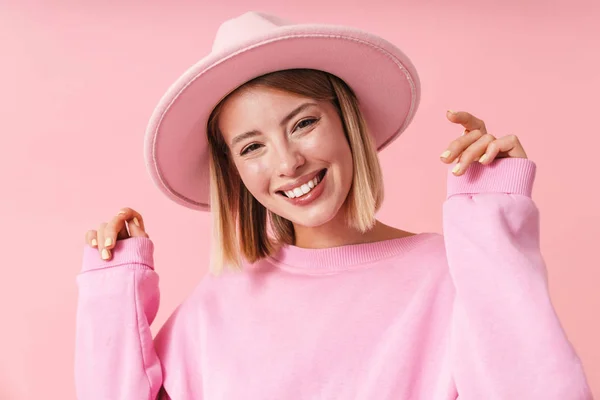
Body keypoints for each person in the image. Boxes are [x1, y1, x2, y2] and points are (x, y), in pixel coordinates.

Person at [74, 11, 592, 400]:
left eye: (303, 123)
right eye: (252, 146)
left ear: (348, 121)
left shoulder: (453, 272)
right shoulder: (219, 302)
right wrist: (112, 291)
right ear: (233, 170)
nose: (288, 163)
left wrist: (494, 218)